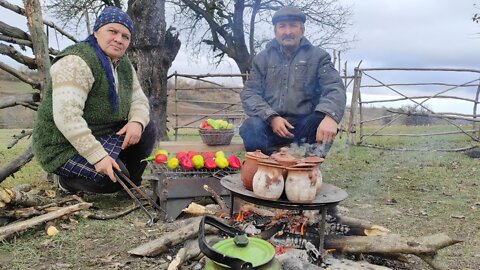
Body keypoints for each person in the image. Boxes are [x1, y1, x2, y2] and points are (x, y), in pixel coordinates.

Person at [32, 6, 156, 194]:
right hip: (62, 146)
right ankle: (66, 181)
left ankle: (130, 187)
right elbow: (68, 117)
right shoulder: (76, 62)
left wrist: (137, 122)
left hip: (102, 133)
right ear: (96, 32)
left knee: (146, 128)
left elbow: (138, 100)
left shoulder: (123, 64)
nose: (119, 39)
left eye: (125, 36)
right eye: (112, 31)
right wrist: (98, 157)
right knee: (111, 180)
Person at [240, 6, 346, 156]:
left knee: (320, 119)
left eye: (293, 26)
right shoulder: (262, 59)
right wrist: (272, 117)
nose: (288, 31)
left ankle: (307, 170)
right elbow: (249, 93)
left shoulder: (319, 57)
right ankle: (264, 169)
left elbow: (334, 87)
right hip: (270, 126)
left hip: (304, 127)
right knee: (251, 126)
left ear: (302, 30)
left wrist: (330, 116)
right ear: (275, 31)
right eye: (282, 26)